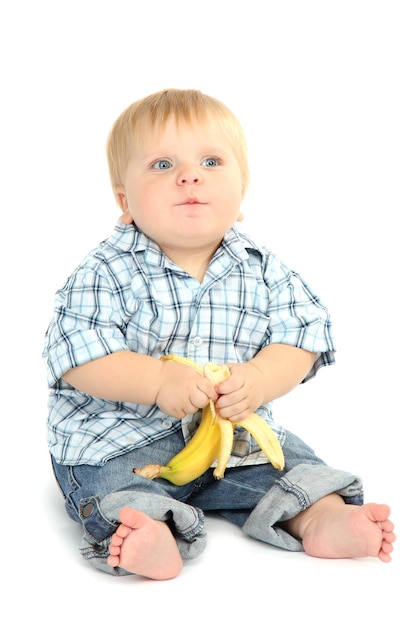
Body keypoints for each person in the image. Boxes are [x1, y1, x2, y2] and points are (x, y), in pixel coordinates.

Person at [43, 88, 395, 580]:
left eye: (211, 161)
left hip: (234, 439)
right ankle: (151, 535)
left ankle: (321, 517)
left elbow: (304, 334)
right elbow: (78, 356)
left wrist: (260, 378)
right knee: (115, 490)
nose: (190, 176)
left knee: (293, 464)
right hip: (121, 440)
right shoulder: (105, 270)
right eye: (163, 165)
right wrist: (156, 382)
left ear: (241, 195)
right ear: (125, 201)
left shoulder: (263, 269)